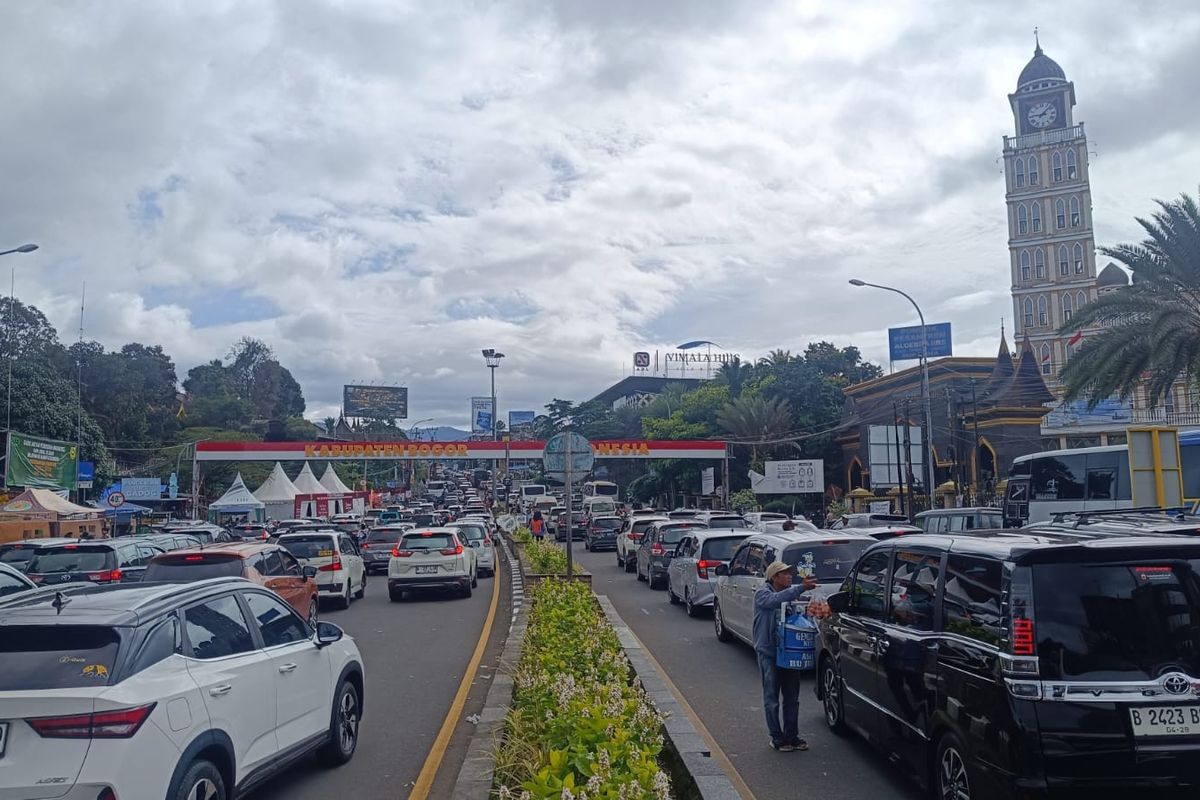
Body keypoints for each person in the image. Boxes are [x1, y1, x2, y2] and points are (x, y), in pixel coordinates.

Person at [753, 561, 817, 752]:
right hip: (769, 653)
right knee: (771, 698)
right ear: (774, 577)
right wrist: (800, 588)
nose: (790, 577)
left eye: (791, 574)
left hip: (789, 652)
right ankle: (777, 737)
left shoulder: (789, 596)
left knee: (792, 697)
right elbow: (775, 601)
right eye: (785, 574)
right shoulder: (763, 593)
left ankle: (792, 735)